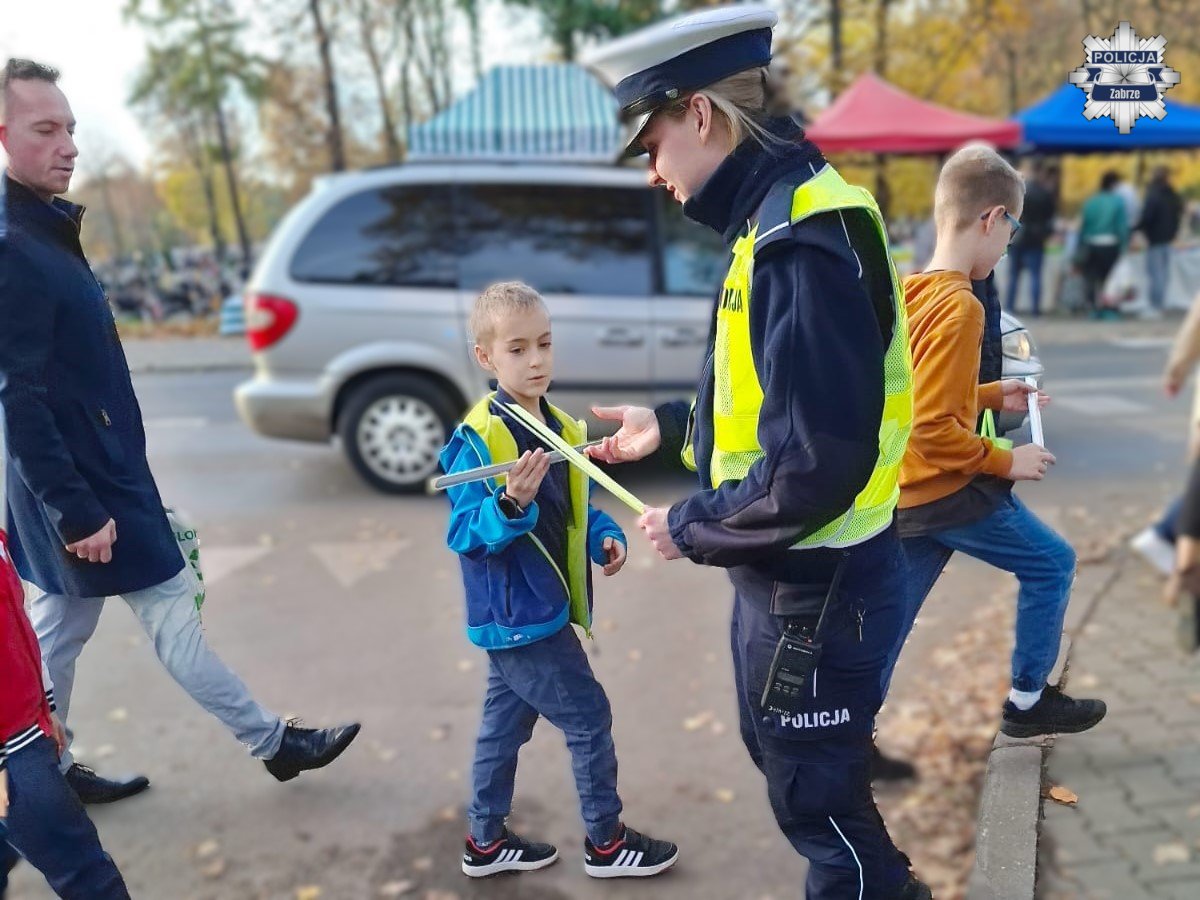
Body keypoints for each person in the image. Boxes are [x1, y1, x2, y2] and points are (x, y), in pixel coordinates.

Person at [583, 7, 931, 897]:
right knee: (802, 781)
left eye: (652, 143)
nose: (653, 172)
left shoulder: (796, 239)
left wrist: (692, 524)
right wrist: (673, 424)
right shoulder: (775, 215)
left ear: (699, 114)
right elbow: (778, 403)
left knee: (824, 813)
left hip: (819, 590)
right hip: (798, 585)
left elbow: (813, 464)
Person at [0, 58, 360, 806]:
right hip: (85, 494)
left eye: (71, 128)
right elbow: (19, 398)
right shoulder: (15, 247)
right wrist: (75, 509)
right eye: (46, 129)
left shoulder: (41, 230)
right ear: (3, 136)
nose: (68, 145)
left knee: (55, 633)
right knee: (167, 611)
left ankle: (42, 773)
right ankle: (273, 743)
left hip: (90, 480)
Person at [439, 282, 679, 880]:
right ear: (486, 357)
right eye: (517, 349)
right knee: (589, 718)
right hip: (521, 616)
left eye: (544, 344)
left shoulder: (563, 427)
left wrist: (604, 534)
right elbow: (466, 533)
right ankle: (606, 843)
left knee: (503, 729)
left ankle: (484, 843)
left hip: (536, 610)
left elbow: (573, 505)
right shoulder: (478, 439)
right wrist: (509, 503)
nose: (536, 360)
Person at [882, 145, 1106, 738]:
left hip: (908, 492)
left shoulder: (911, 291)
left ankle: (850, 733)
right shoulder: (963, 307)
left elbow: (911, 396)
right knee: (1052, 563)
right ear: (992, 219)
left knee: (888, 624)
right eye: (1013, 228)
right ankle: (1028, 703)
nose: (1009, 244)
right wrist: (1006, 458)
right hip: (949, 492)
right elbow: (932, 427)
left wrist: (984, 395)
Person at [0, 426, 130, 899]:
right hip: (12, 757)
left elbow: (16, 629)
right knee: (91, 878)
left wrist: (46, 706)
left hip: (24, 733)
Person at [1004, 159, 1057, 316]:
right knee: (1035, 275)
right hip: (1036, 239)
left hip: (1017, 236)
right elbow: (1050, 217)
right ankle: (1035, 310)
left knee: (1013, 275)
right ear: (1040, 172)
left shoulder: (1018, 192)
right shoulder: (1045, 193)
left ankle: (1010, 307)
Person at [1135, 166, 1184, 317]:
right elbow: (1178, 213)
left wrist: (1136, 228)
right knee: (1163, 273)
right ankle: (1160, 304)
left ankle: (1155, 306)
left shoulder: (1153, 195)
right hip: (1168, 238)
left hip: (1155, 238)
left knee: (1156, 274)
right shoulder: (1172, 195)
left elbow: (1147, 216)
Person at [1077, 171, 1129, 313]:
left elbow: (1083, 225)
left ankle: (1093, 307)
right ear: (1114, 184)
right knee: (1109, 279)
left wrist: (1080, 244)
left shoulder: (1091, 201)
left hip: (1091, 243)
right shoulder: (1118, 201)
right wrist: (1124, 245)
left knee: (1092, 278)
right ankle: (1109, 308)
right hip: (1110, 243)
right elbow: (1121, 226)